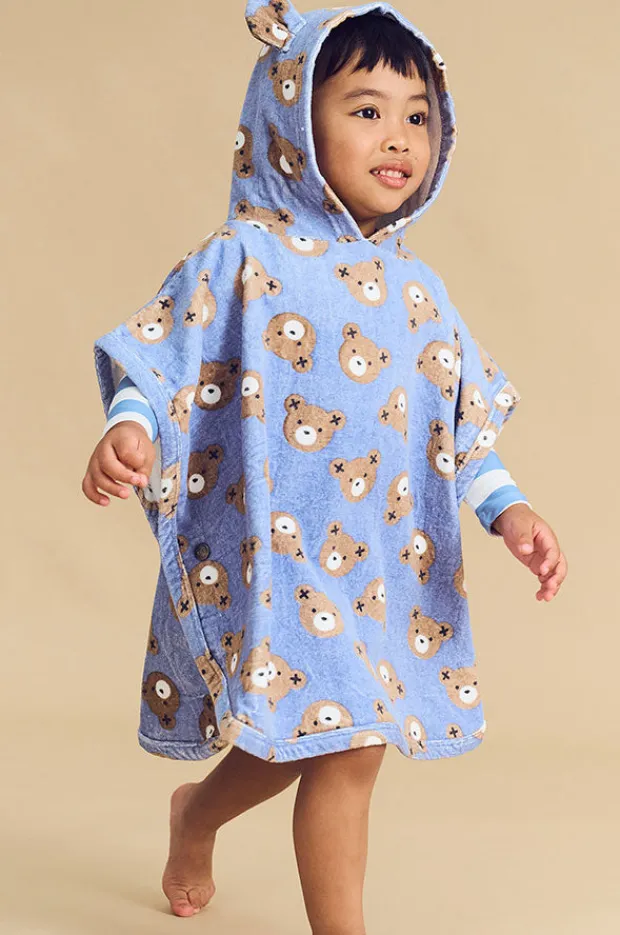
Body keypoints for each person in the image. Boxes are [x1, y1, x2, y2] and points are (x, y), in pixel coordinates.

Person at [82, 2, 567, 930]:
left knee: (321, 737)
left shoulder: (420, 292)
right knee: (347, 748)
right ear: (294, 122)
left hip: (380, 568)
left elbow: (455, 430)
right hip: (277, 555)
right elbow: (158, 356)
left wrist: (511, 511)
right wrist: (130, 428)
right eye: (367, 110)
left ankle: (196, 816)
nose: (399, 136)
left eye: (418, 115)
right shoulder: (243, 260)